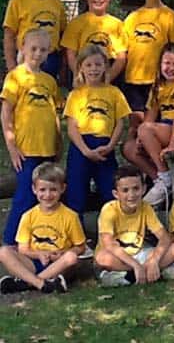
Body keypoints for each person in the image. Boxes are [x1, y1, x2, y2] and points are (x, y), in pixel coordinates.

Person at [1, 29, 62, 246]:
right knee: (25, 196)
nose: (37, 53)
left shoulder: (49, 81)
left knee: (45, 197)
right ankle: (10, 242)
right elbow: (6, 112)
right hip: (26, 150)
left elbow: (54, 112)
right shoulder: (15, 76)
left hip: (47, 149)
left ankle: (35, 239)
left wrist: (58, 142)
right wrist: (12, 146)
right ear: (23, 48)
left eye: (43, 50)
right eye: (33, 48)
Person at [64, 45, 130, 230]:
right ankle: (76, 235)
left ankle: (113, 231)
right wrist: (85, 150)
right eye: (89, 64)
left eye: (98, 64)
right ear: (81, 68)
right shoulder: (76, 95)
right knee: (76, 191)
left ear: (105, 67)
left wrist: (110, 146)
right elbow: (71, 127)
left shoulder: (114, 92)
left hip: (104, 147)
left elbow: (120, 123)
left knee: (110, 189)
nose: (93, 69)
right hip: (81, 147)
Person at [123, 43, 174, 205]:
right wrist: (141, 137)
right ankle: (161, 180)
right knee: (129, 148)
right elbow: (151, 113)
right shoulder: (159, 84)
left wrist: (171, 145)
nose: (170, 68)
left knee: (146, 129)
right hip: (162, 127)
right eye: (167, 63)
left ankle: (164, 175)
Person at [0, 162, 85, 294]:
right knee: (3, 251)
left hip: (58, 263)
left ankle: (27, 283)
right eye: (42, 190)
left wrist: (61, 253)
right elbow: (22, 249)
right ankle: (43, 283)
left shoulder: (70, 216)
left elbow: (80, 247)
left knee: (71, 258)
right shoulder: (28, 216)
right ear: (34, 189)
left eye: (53, 190)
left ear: (63, 188)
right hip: (33, 262)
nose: (48, 195)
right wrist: (38, 254)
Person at [93, 165, 174, 287]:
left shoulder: (145, 207)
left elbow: (164, 237)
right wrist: (135, 265)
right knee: (101, 258)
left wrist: (154, 260)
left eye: (136, 188)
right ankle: (148, 272)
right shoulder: (109, 210)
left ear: (144, 189)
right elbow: (109, 245)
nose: (131, 195)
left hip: (140, 254)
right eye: (125, 190)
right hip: (118, 257)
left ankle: (130, 276)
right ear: (116, 193)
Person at [122, 0, 174, 136]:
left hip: (158, 81)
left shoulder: (172, 17)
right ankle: (137, 162)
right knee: (136, 126)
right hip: (133, 80)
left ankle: (156, 160)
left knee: (153, 127)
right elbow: (125, 51)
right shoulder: (132, 18)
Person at [3, 0, 67, 82]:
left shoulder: (57, 3)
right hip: (26, 57)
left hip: (51, 57)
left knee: (46, 92)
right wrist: (11, 66)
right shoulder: (17, 2)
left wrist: (63, 67)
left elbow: (63, 35)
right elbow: (9, 36)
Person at [60, 0, 127, 84]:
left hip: (109, 72)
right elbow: (71, 55)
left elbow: (121, 57)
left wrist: (108, 78)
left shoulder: (117, 24)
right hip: (84, 71)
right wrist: (80, 76)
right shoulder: (76, 23)